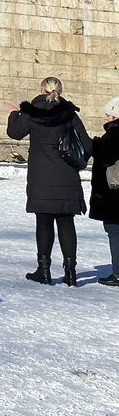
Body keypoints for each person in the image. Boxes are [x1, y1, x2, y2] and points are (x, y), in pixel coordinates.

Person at [6, 76, 91, 286]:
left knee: (43, 222)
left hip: (41, 176)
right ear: (59, 90)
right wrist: (76, 160)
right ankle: (70, 273)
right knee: (66, 222)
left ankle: (43, 271)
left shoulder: (32, 113)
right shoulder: (69, 114)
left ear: (41, 90)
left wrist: (13, 114)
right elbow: (87, 145)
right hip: (66, 176)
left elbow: (14, 133)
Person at [90, 96, 119, 287]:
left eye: (109, 113)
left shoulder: (115, 132)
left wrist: (96, 145)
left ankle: (117, 273)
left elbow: (107, 157)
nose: (106, 117)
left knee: (115, 231)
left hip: (114, 193)